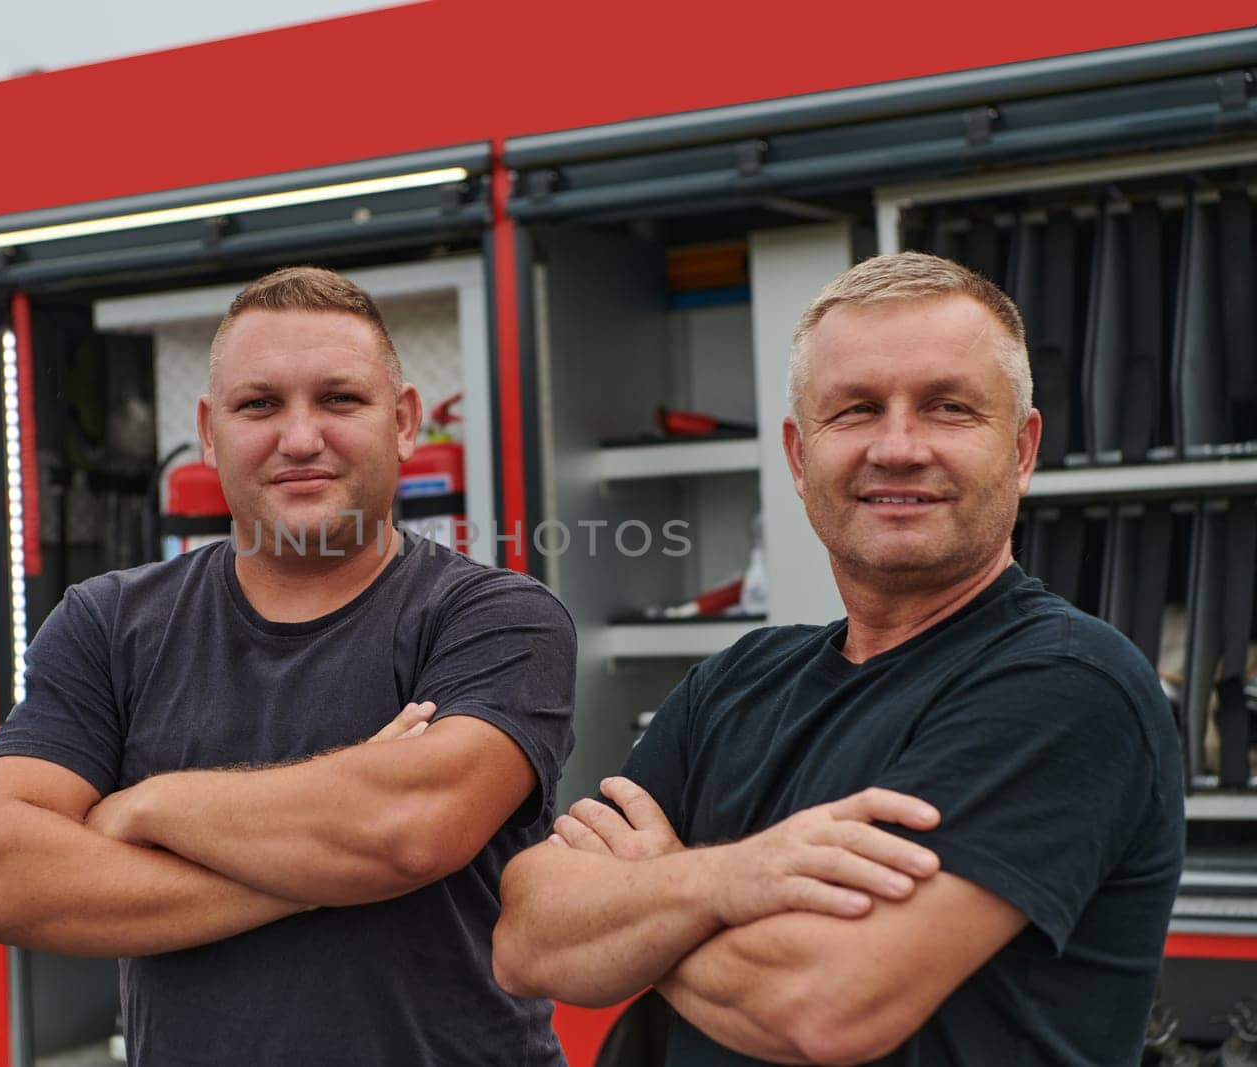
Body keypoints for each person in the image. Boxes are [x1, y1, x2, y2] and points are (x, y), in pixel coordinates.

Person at [492, 252, 1184, 1066]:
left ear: (1023, 449)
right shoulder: (733, 684)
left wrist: (651, 896)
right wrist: (731, 879)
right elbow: (526, 938)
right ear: (796, 454)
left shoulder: (1068, 684)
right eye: (855, 410)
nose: (897, 447)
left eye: (948, 407)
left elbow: (824, 1008)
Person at [0, 266, 583, 1065]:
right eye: (260, 405)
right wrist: (338, 842)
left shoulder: (498, 618)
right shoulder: (105, 622)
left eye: (339, 399)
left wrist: (145, 806)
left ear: (405, 420)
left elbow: (406, 836)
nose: (300, 437)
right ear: (210, 432)